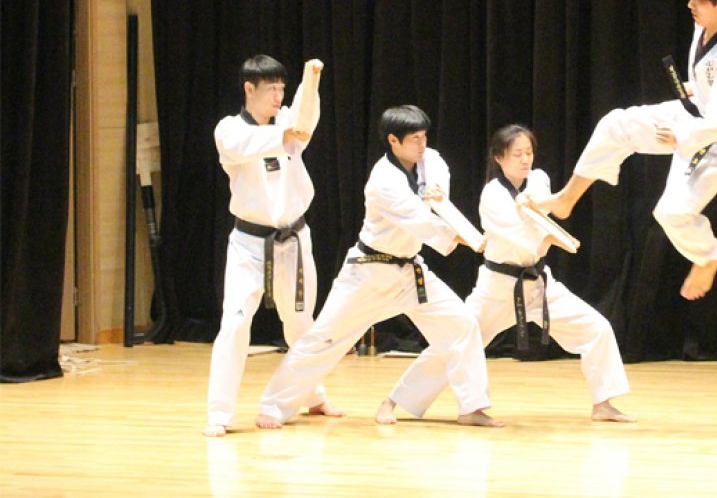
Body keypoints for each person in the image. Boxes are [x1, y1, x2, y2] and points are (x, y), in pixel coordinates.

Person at [535, 0, 717, 300]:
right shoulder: (704, 24)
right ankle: (568, 198)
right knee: (615, 124)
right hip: (694, 114)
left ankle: (709, 256)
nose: (690, 4)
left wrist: (682, 135)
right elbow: (710, 85)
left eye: (699, 0)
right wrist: (696, 89)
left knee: (671, 211)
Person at [255, 105, 502, 429]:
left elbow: (438, 170)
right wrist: (461, 235)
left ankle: (472, 406)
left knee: (462, 324)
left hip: (410, 272)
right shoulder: (382, 181)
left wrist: (437, 190)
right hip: (368, 273)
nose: (421, 144)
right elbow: (418, 221)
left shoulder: (428, 160)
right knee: (324, 339)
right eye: (414, 139)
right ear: (393, 141)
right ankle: (274, 406)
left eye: (424, 137)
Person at [383, 124, 633, 423]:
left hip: (539, 282)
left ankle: (603, 403)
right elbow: (524, 235)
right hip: (498, 287)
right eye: (517, 154)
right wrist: (551, 238)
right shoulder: (492, 196)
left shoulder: (538, 179)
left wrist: (542, 220)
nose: (526, 160)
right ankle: (397, 401)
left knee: (596, 327)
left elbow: (541, 215)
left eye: (529, 153)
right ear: (500, 158)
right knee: (458, 340)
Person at [204, 55, 342, 437]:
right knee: (234, 322)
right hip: (248, 243)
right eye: (271, 90)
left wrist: (310, 82)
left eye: (282, 89)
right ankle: (219, 412)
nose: (278, 98)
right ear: (249, 89)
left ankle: (313, 394)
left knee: (300, 324)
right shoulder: (230, 131)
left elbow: (304, 122)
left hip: (293, 240)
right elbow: (256, 143)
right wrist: (286, 133)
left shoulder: (285, 124)